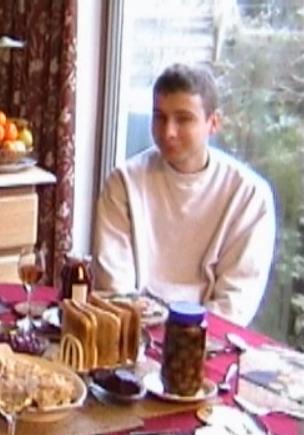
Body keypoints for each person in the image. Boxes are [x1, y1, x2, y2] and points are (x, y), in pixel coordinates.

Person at [92, 63, 275, 326]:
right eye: (160, 117)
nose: (168, 132)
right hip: (134, 329)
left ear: (213, 123)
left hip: (207, 335)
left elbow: (236, 301)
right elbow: (114, 285)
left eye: (183, 119)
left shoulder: (249, 195)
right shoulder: (124, 183)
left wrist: (185, 334)